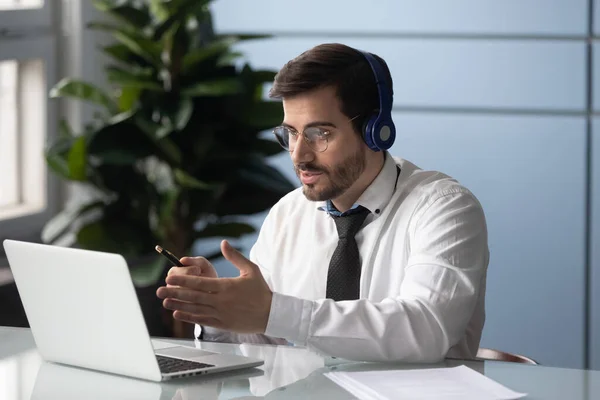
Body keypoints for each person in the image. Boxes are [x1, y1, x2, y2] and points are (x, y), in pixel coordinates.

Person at [156, 43, 489, 363]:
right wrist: (219, 309)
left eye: (319, 134)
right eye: (290, 133)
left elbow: (425, 329)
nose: (299, 155)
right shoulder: (288, 213)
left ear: (376, 130)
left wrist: (276, 312)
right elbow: (262, 341)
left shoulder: (445, 208)